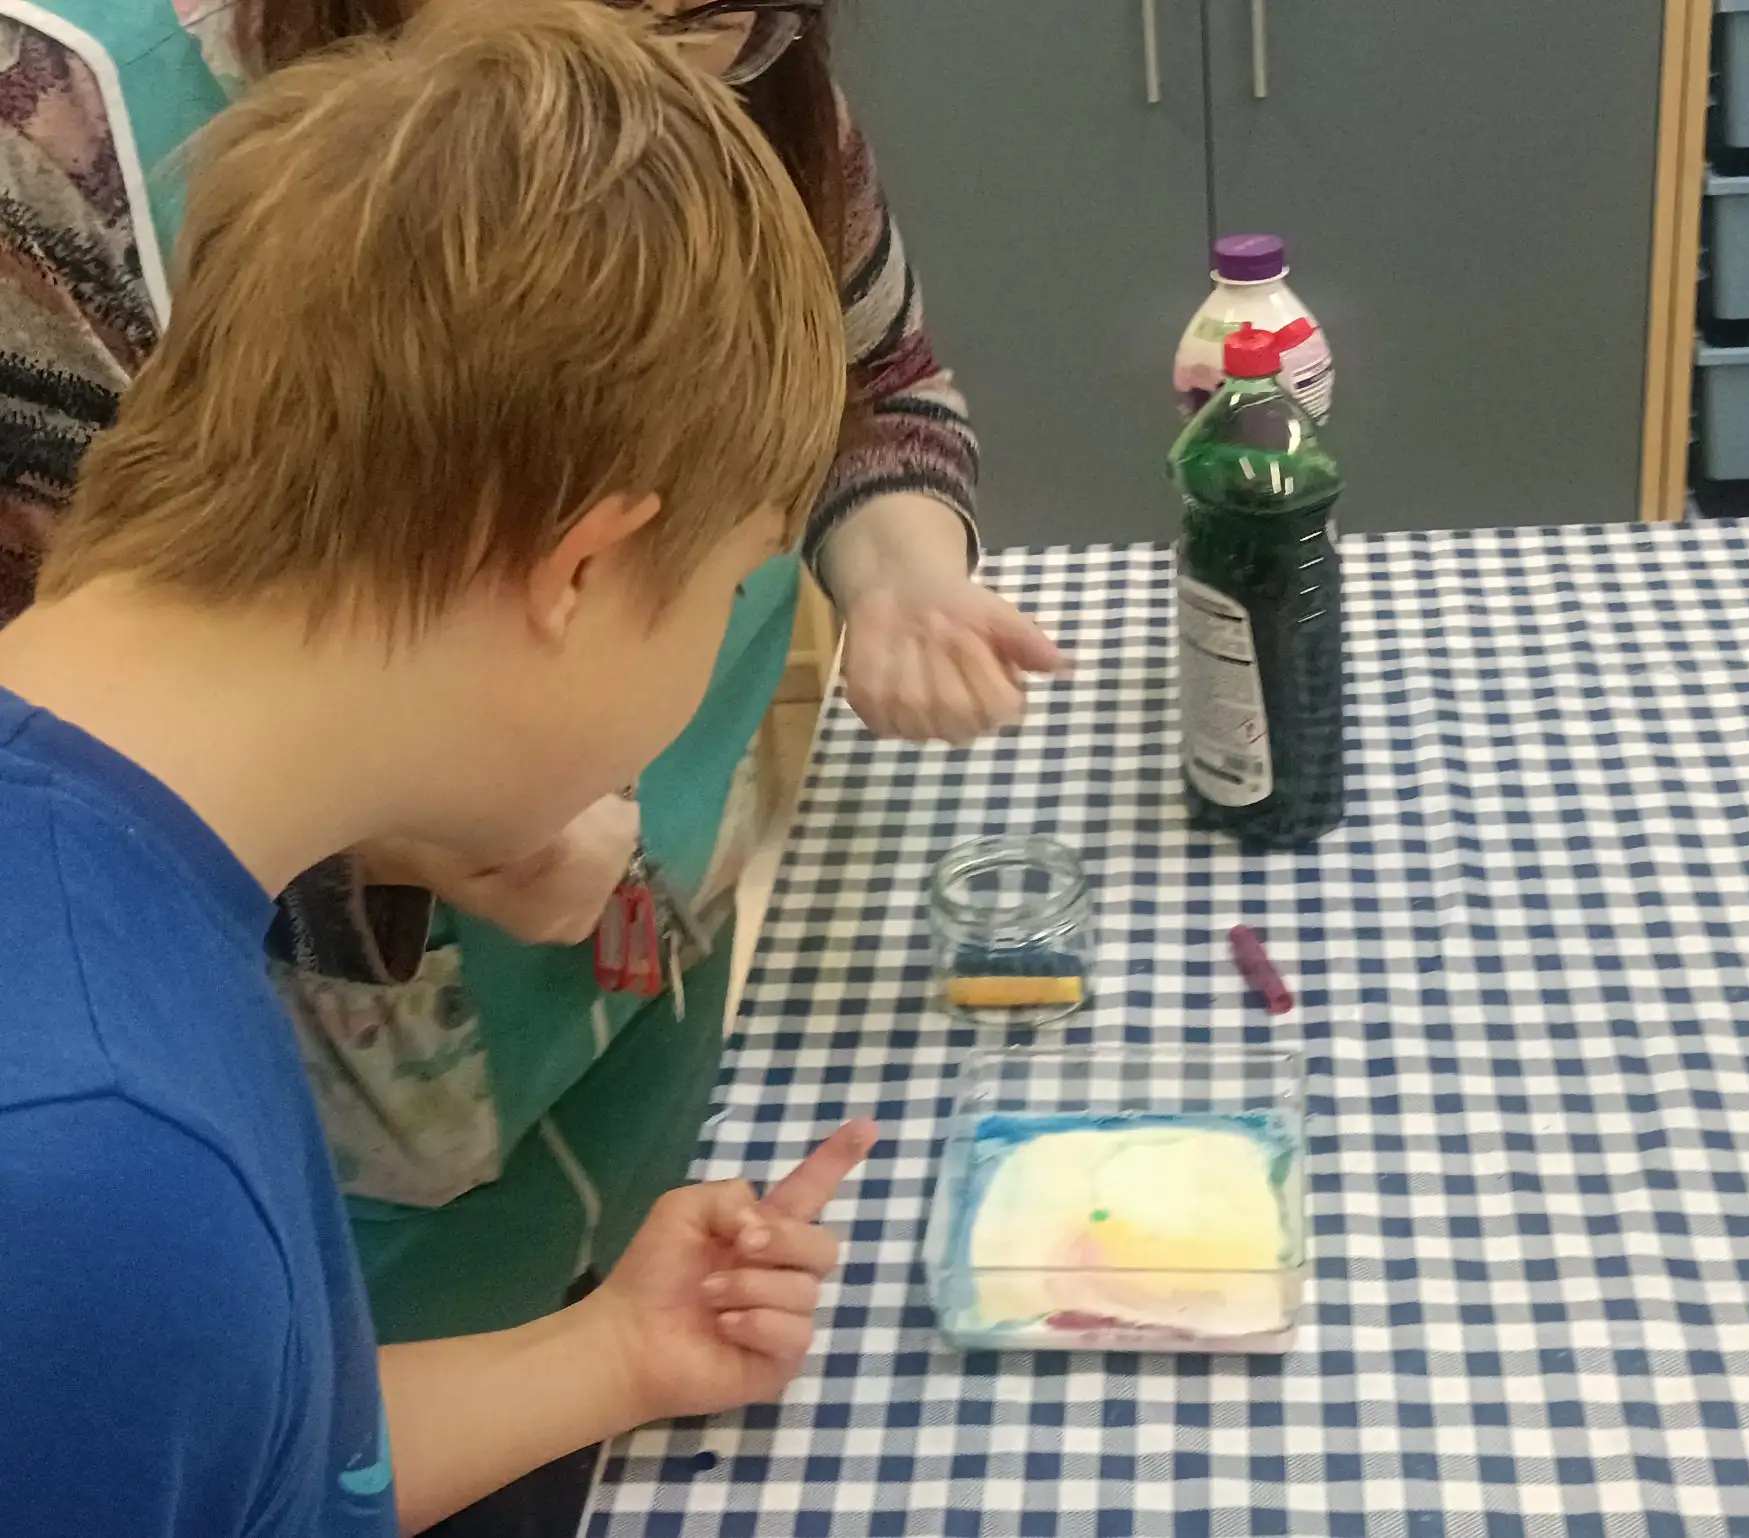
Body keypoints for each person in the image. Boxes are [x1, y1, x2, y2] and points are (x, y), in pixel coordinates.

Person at [0, 0, 1064, 1370]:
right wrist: (417, 840)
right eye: (727, 571)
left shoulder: (104, 1036)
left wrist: (602, 1362)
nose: (703, 50)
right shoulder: (107, 1164)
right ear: (580, 563)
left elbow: (316, 1455)